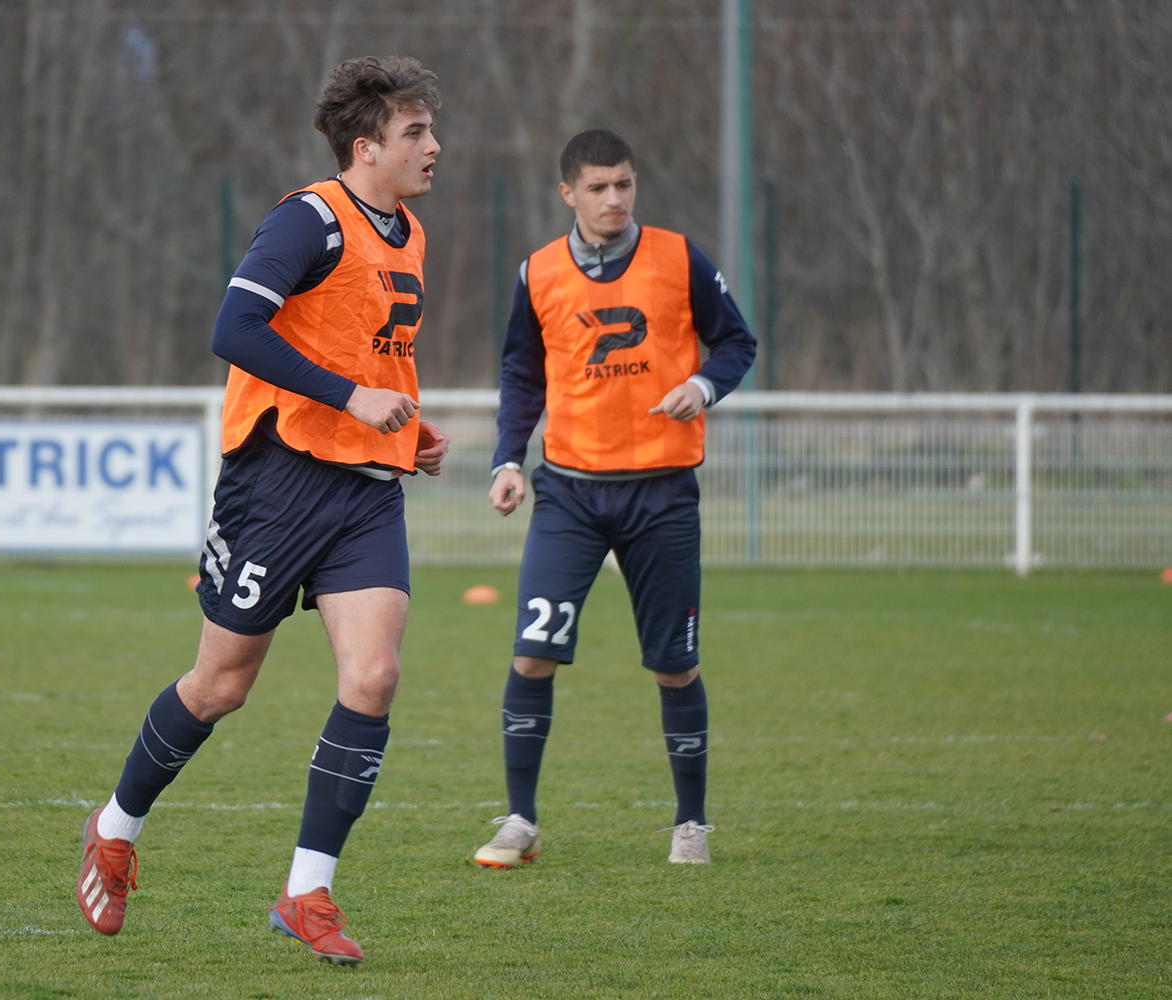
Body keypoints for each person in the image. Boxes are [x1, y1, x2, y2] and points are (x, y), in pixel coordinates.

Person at [76, 55, 448, 966]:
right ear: (367, 148)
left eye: (431, 131)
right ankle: (115, 828)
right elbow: (232, 331)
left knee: (373, 678)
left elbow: (372, 353)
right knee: (221, 687)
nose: (435, 147)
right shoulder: (309, 219)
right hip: (275, 483)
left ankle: (307, 893)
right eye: (416, 133)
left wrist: (407, 428)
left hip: (364, 492)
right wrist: (348, 398)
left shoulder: (409, 232)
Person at [472, 129, 755, 870]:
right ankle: (519, 820)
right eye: (598, 187)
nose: (614, 199)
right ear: (568, 193)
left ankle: (690, 824)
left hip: (662, 495)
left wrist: (702, 386)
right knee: (533, 654)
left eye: (624, 184)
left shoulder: (678, 257)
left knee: (674, 664)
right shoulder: (538, 273)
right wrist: (507, 458)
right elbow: (522, 375)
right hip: (568, 492)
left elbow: (737, 343)